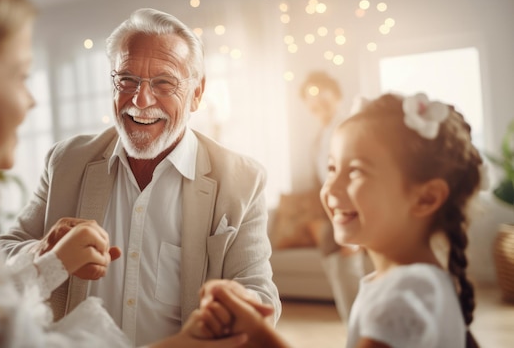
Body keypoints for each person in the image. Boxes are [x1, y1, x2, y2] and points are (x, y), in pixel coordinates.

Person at [0, 0, 251, 347]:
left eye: (164, 83)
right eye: (20, 76)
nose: (31, 100)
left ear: (196, 93)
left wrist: (55, 262)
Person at [0, 7, 281, 347]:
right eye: (127, 80)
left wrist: (237, 304)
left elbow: (259, 291)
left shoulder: (242, 180)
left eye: (164, 82)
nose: (140, 99)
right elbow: (0, 253)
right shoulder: (66, 161)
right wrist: (48, 252)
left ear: (197, 94)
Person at [195, 92, 483, 348]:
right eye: (332, 168)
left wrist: (258, 335)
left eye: (356, 171)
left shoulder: (403, 298)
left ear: (426, 198)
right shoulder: (413, 284)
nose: (330, 188)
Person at [300, 71, 367, 322]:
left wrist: (354, 230)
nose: (317, 100)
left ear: (337, 96)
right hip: (332, 222)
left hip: (349, 219)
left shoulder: (347, 128)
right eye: (310, 96)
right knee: (343, 289)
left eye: (322, 93)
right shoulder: (319, 137)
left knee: (353, 289)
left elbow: (357, 176)